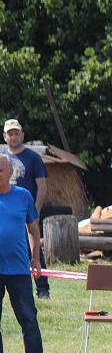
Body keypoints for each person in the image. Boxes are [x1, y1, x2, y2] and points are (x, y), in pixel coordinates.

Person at [0, 155, 45, 353]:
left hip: (18, 269)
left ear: (10, 172)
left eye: (0, 170)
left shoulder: (23, 196)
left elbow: (33, 230)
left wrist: (35, 258)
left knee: (28, 317)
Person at [3, 119, 50, 299]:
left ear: (22, 135)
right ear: (4, 136)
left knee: (34, 248)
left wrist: (35, 212)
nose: (14, 136)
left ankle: (43, 288)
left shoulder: (33, 157)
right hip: (6, 212)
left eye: (17, 133)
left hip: (26, 210)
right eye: (10, 133)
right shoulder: (1, 158)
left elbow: (42, 186)